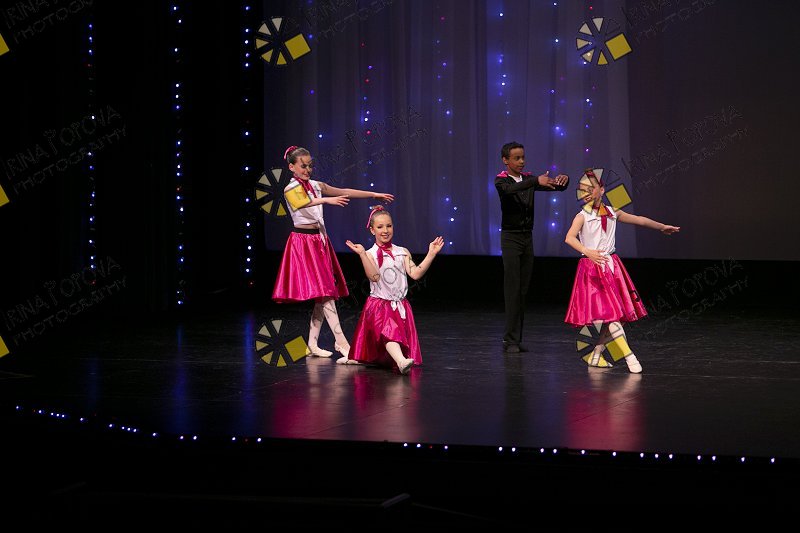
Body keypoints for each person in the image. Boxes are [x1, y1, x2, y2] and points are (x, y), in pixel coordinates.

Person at [272, 145, 394, 359]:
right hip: (303, 244)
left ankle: (312, 344)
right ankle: (342, 342)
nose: (308, 170)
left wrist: (373, 194)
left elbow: (343, 191)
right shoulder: (290, 188)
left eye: (310, 166)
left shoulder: (315, 185)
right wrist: (327, 200)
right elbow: (302, 202)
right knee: (326, 293)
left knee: (323, 295)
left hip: (319, 241)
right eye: (303, 166)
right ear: (291, 167)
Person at [564, 168, 680, 373]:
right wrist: (587, 251)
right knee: (612, 317)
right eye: (583, 190)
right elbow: (569, 238)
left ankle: (597, 353)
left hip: (612, 267)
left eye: (591, 189)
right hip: (592, 269)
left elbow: (639, 219)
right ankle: (629, 356)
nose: (587, 193)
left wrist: (661, 226)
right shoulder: (582, 216)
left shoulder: (613, 212)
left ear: (602, 189)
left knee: (619, 317)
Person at [338, 205, 444, 374]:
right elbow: (374, 276)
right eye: (380, 227)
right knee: (389, 331)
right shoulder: (370, 253)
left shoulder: (402, 252)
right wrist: (362, 255)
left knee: (384, 350)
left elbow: (415, 273)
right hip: (379, 305)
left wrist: (431, 253)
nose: (385, 230)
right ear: (372, 230)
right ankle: (401, 362)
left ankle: (358, 358)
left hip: (400, 305)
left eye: (389, 226)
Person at [495, 141, 569, 353]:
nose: (521, 161)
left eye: (523, 157)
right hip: (511, 239)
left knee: (522, 290)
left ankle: (516, 339)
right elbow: (510, 190)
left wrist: (564, 181)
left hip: (527, 238)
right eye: (516, 158)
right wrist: (535, 181)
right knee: (512, 289)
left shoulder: (528, 178)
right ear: (505, 160)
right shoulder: (501, 180)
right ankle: (510, 340)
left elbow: (555, 186)